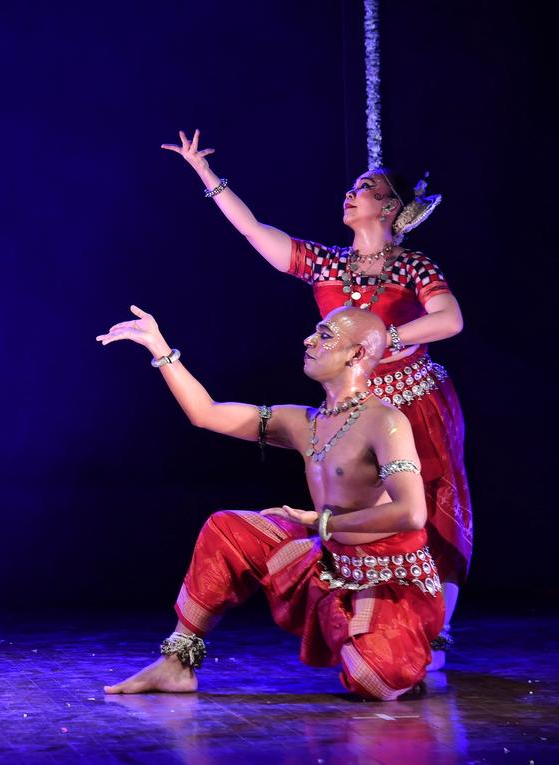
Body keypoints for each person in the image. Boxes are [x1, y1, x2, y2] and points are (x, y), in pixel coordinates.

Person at [162, 130, 469, 668]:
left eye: (366, 188)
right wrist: (206, 175)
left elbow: (450, 320)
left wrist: (383, 340)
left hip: (414, 397)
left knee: (426, 507)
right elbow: (255, 231)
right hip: (354, 397)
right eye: (351, 187)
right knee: (356, 507)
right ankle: (361, 612)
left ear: (391, 208)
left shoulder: (413, 266)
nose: (351, 193)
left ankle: (432, 627)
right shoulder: (327, 264)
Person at [96, 304, 443, 700]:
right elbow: (206, 414)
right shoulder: (304, 421)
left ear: (357, 353)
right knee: (227, 529)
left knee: (376, 681)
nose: (308, 340)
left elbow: (413, 513)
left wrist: (321, 522)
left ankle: (404, 645)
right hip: (328, 560)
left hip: (387, 576)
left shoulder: (386, 421)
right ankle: (176, 665)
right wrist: (160, 348)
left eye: (325, 335)